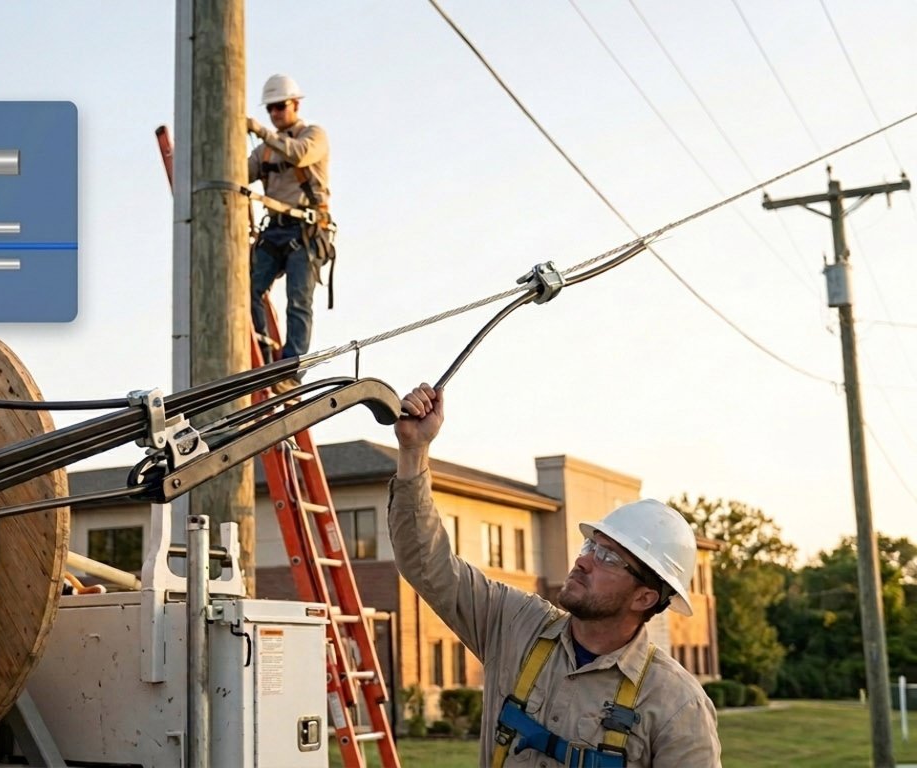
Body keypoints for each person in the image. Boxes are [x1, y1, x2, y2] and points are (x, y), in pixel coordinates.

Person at [389, 383, 721, 767]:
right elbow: (426, 563)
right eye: (590, 547)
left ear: (645, 597)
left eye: (609, 558)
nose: (583, 562)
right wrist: (414, 450)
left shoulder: (676, 704)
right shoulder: (514, 625)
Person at [246, 73, 330, 394]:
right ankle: (266, 357)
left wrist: (260, 131)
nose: (276, 114)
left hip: (307, 230)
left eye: (280, 107)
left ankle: (290, 370)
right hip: (276, 231)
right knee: (247, 290)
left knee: (299, 300)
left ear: (295, 104)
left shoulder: (314, 135)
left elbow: (299, 154)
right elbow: (240, 171)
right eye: (270, 109)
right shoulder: (264, 153)